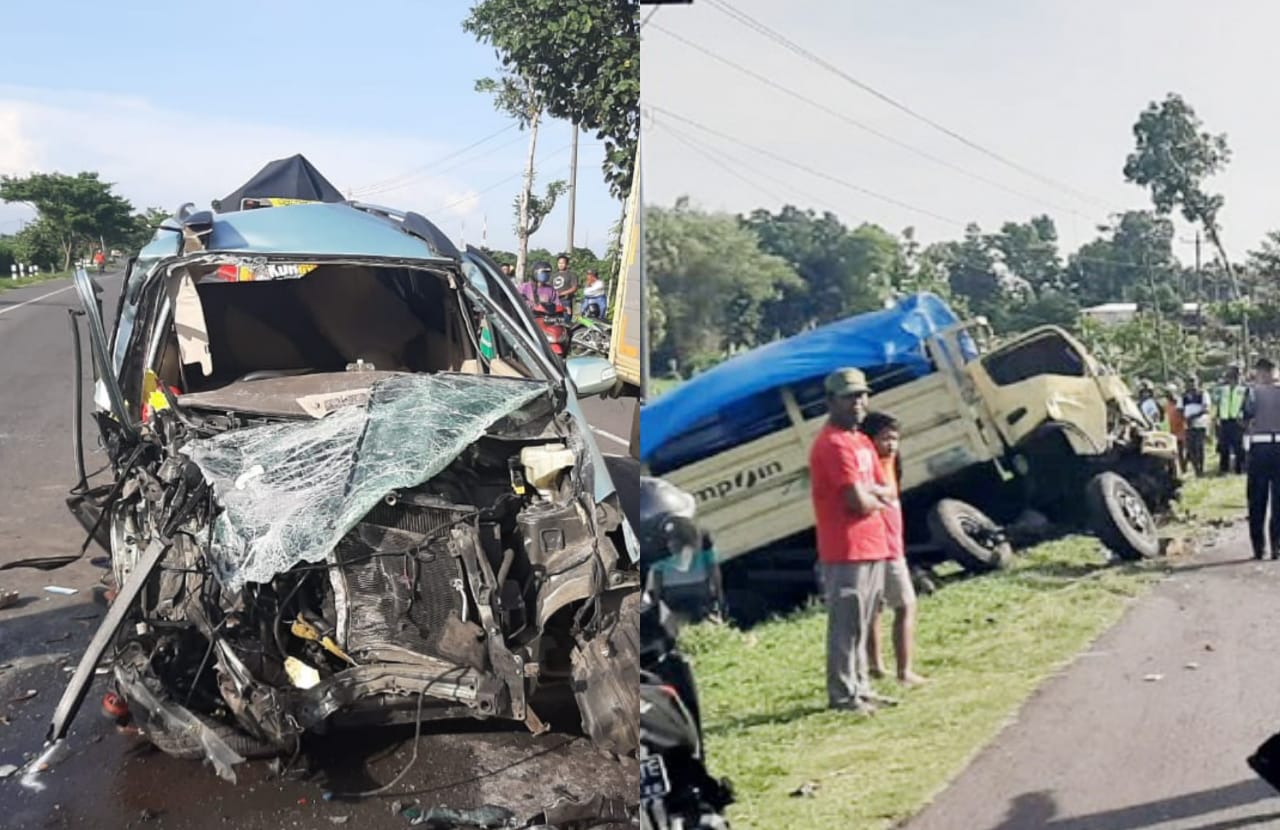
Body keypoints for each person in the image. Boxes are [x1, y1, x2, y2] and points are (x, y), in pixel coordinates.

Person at [809, 368, 897, 715]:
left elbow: (886, 486)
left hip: (872, 544)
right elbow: (857, 502)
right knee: (846, 626)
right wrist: (875, 498)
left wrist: (873, 496)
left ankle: (861, 687)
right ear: (831, 401)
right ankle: (843, 694)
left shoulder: (861, 441)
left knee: (863, 623)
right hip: (846, 549)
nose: (858, 402)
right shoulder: (832, 444)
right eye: (849, 396)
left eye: (862, 395)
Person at [860, 411, 927, 688]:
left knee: (875, 607)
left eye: (895, 438)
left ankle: (876, 666)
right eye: (885, 438)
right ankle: (904, 672)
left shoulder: (890, 462)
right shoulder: (868, 466)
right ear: (869, 439)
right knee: (905, 605)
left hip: (889, 543)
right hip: (881, 546)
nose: (891, 444)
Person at [1244, 357, 1280, 560]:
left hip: (1260, 447)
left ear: (1261, 372)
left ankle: (1259, 549)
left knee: (1257, 499)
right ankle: (1277, 547)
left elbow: (1244, 417)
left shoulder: (1252, 392)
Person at [1215, 364, 1248, 475]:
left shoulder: (1244, 389)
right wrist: (1217, 417)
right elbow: (1219, 404)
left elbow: (1247, 404)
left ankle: (1240, 468)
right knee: (1224, 445)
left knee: (1239, 446)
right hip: (1225, 420)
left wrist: (1244, 418)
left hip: (1237, 421)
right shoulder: (1223, 389)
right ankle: (1224, 469)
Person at [1180, 378, 1212, 476]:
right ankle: (1196, 469)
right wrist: (1185, 418)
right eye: (1189, 382)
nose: (1191, 385)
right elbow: (1180, 409)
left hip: (1200, 424)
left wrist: (1193, 417)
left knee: (1199, 447)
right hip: (1188, 426)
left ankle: (1201, 468)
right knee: (1191, 448)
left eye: (1193, 382)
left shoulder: (1202, 394)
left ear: (1197, 383)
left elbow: (1206, 409)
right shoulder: (1184, 396)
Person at [1164, 382, 1187, 473]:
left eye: (1170, 392)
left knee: (1182, 452)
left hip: (1182, 429)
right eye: (1167, 393)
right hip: (1172, 431)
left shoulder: (1180, 402)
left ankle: (1184, 469)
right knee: (1173, 453)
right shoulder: (1167, 404)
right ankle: (1176, 471)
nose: (1168, 395)